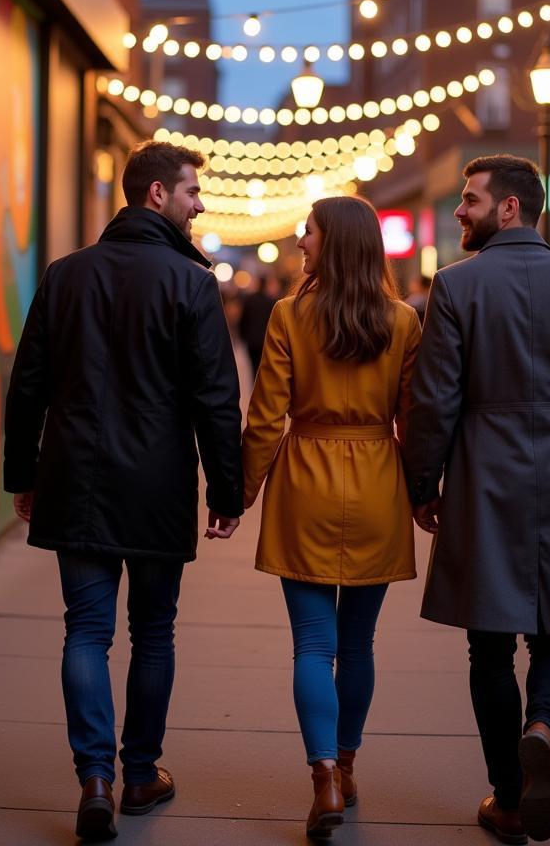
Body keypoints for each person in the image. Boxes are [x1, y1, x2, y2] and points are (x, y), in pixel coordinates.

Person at [3, 140, 243, 842]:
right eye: (192, 191)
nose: (200, 204)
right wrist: (225, 491)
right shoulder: (191, 284)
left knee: (85, 630)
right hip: (157, 484)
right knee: (153, 631)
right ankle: (139, 774)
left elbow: (28, 387)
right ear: (156, 196)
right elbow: (215, 400)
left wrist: (25, 474)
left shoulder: (65, 275)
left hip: (74, 477)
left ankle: (94, 780)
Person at [402, 155, 550, 845]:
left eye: (469, 201)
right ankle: (543, 727)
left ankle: (507, 796)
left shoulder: (458, 286)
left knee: (489, 646)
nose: (459, 212)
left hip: (482, 476)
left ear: (509, 209)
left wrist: (423, 483)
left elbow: (433, 399)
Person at [242, 196, 422, 839]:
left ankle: (322, 776)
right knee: (358, 645)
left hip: (307, 482)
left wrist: (239, 494)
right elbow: (415, 419)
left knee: (313, 646)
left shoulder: (290, 316)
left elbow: (265, 417)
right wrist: (424, 494)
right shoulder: (402, 321)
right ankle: (346, 765)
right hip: (377, 481)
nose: (300, 242)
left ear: (335, 242)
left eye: (308, 233)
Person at [239, 274, 280, 378]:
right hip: (264, 339)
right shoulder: (270, 302)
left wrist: (243, 335)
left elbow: (244, 319)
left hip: (251, 339)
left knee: (252, 364)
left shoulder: (249, 300)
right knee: (260, 364)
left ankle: (254, 381)